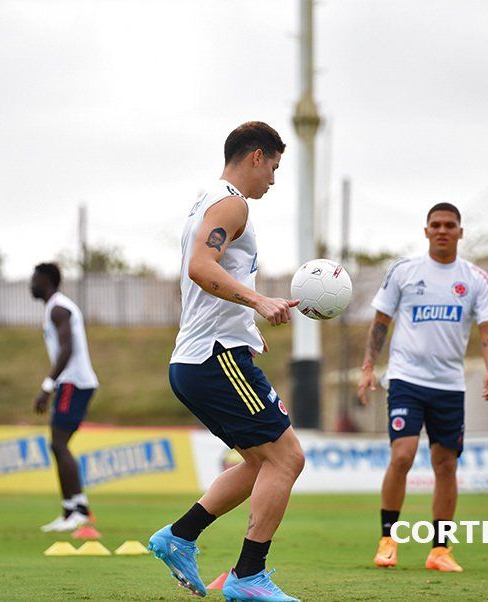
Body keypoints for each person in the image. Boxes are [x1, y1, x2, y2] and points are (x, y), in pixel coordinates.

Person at [148, 121, 304, 602]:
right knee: (288, 458)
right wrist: (257, 302)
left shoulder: (210, 200)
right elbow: (201, 267)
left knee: (262, 462)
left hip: (203, 358)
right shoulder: (232, 202)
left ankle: (179, 536)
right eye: (274, 167)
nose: (274, 181)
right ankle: (248, 577)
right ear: (256, 155)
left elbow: (207, 274)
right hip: (214, 358)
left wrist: (247, 327)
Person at [357, 203, 488, 573]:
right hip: (406, 379)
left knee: (446, 465)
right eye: (435, 225)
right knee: (402, 456)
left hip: (449, 385)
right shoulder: (405, 272)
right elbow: (381, 321)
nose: (442, 230)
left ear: (460, 232)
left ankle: (440, 550)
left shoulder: (474, 279)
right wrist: (369, 366)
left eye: (449, 225)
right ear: (425, 231)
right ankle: (388, 539)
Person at [30, 262, 98, 532]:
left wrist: (48, 386)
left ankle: (77, 509)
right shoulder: (54, 308)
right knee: (58, 445)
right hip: (71, 382)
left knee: (59, 444)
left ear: (47, 280)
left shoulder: (59, 308)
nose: (30, 285)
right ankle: (73, 508)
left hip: (73, 382)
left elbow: (67, 349)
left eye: (34, 280)